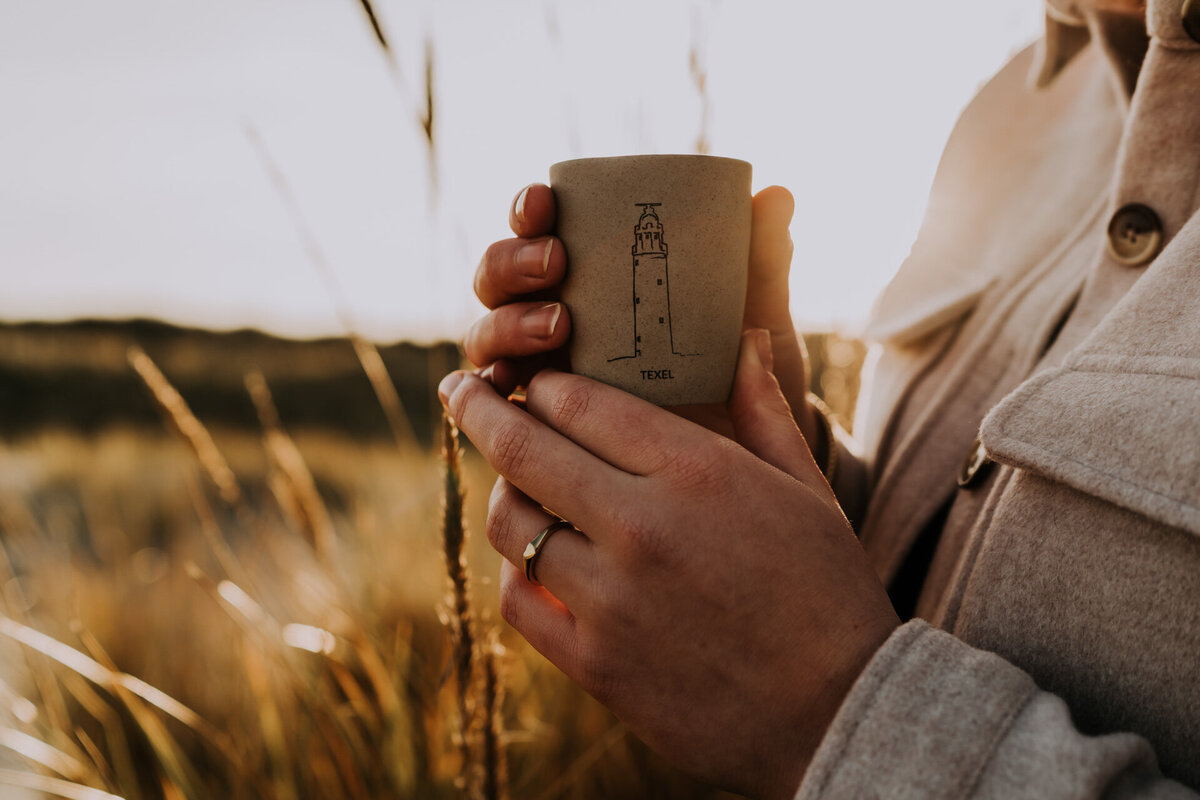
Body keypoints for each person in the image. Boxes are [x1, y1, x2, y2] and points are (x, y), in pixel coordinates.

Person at [438, 0, 1200, 795]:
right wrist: (765, 462)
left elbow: (852, 678)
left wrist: (834, 710)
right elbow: (942, 549)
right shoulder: (1014, 102)